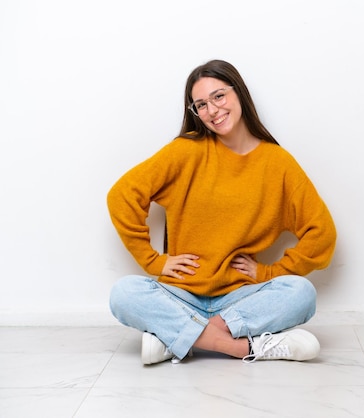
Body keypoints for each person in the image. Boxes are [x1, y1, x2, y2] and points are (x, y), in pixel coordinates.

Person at [107, 59, 336, 365]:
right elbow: (122, 195)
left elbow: (321, 233)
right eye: (200, 104)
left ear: (238, 92)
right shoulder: (186, 151)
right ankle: (242, 348)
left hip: (239, 299)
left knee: (301, 293)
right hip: (182, 295)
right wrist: (154, 260)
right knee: (124, 293)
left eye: (218, 96)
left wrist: (269, 273)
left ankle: (177, 339)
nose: (212, 110)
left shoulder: (277, 163)